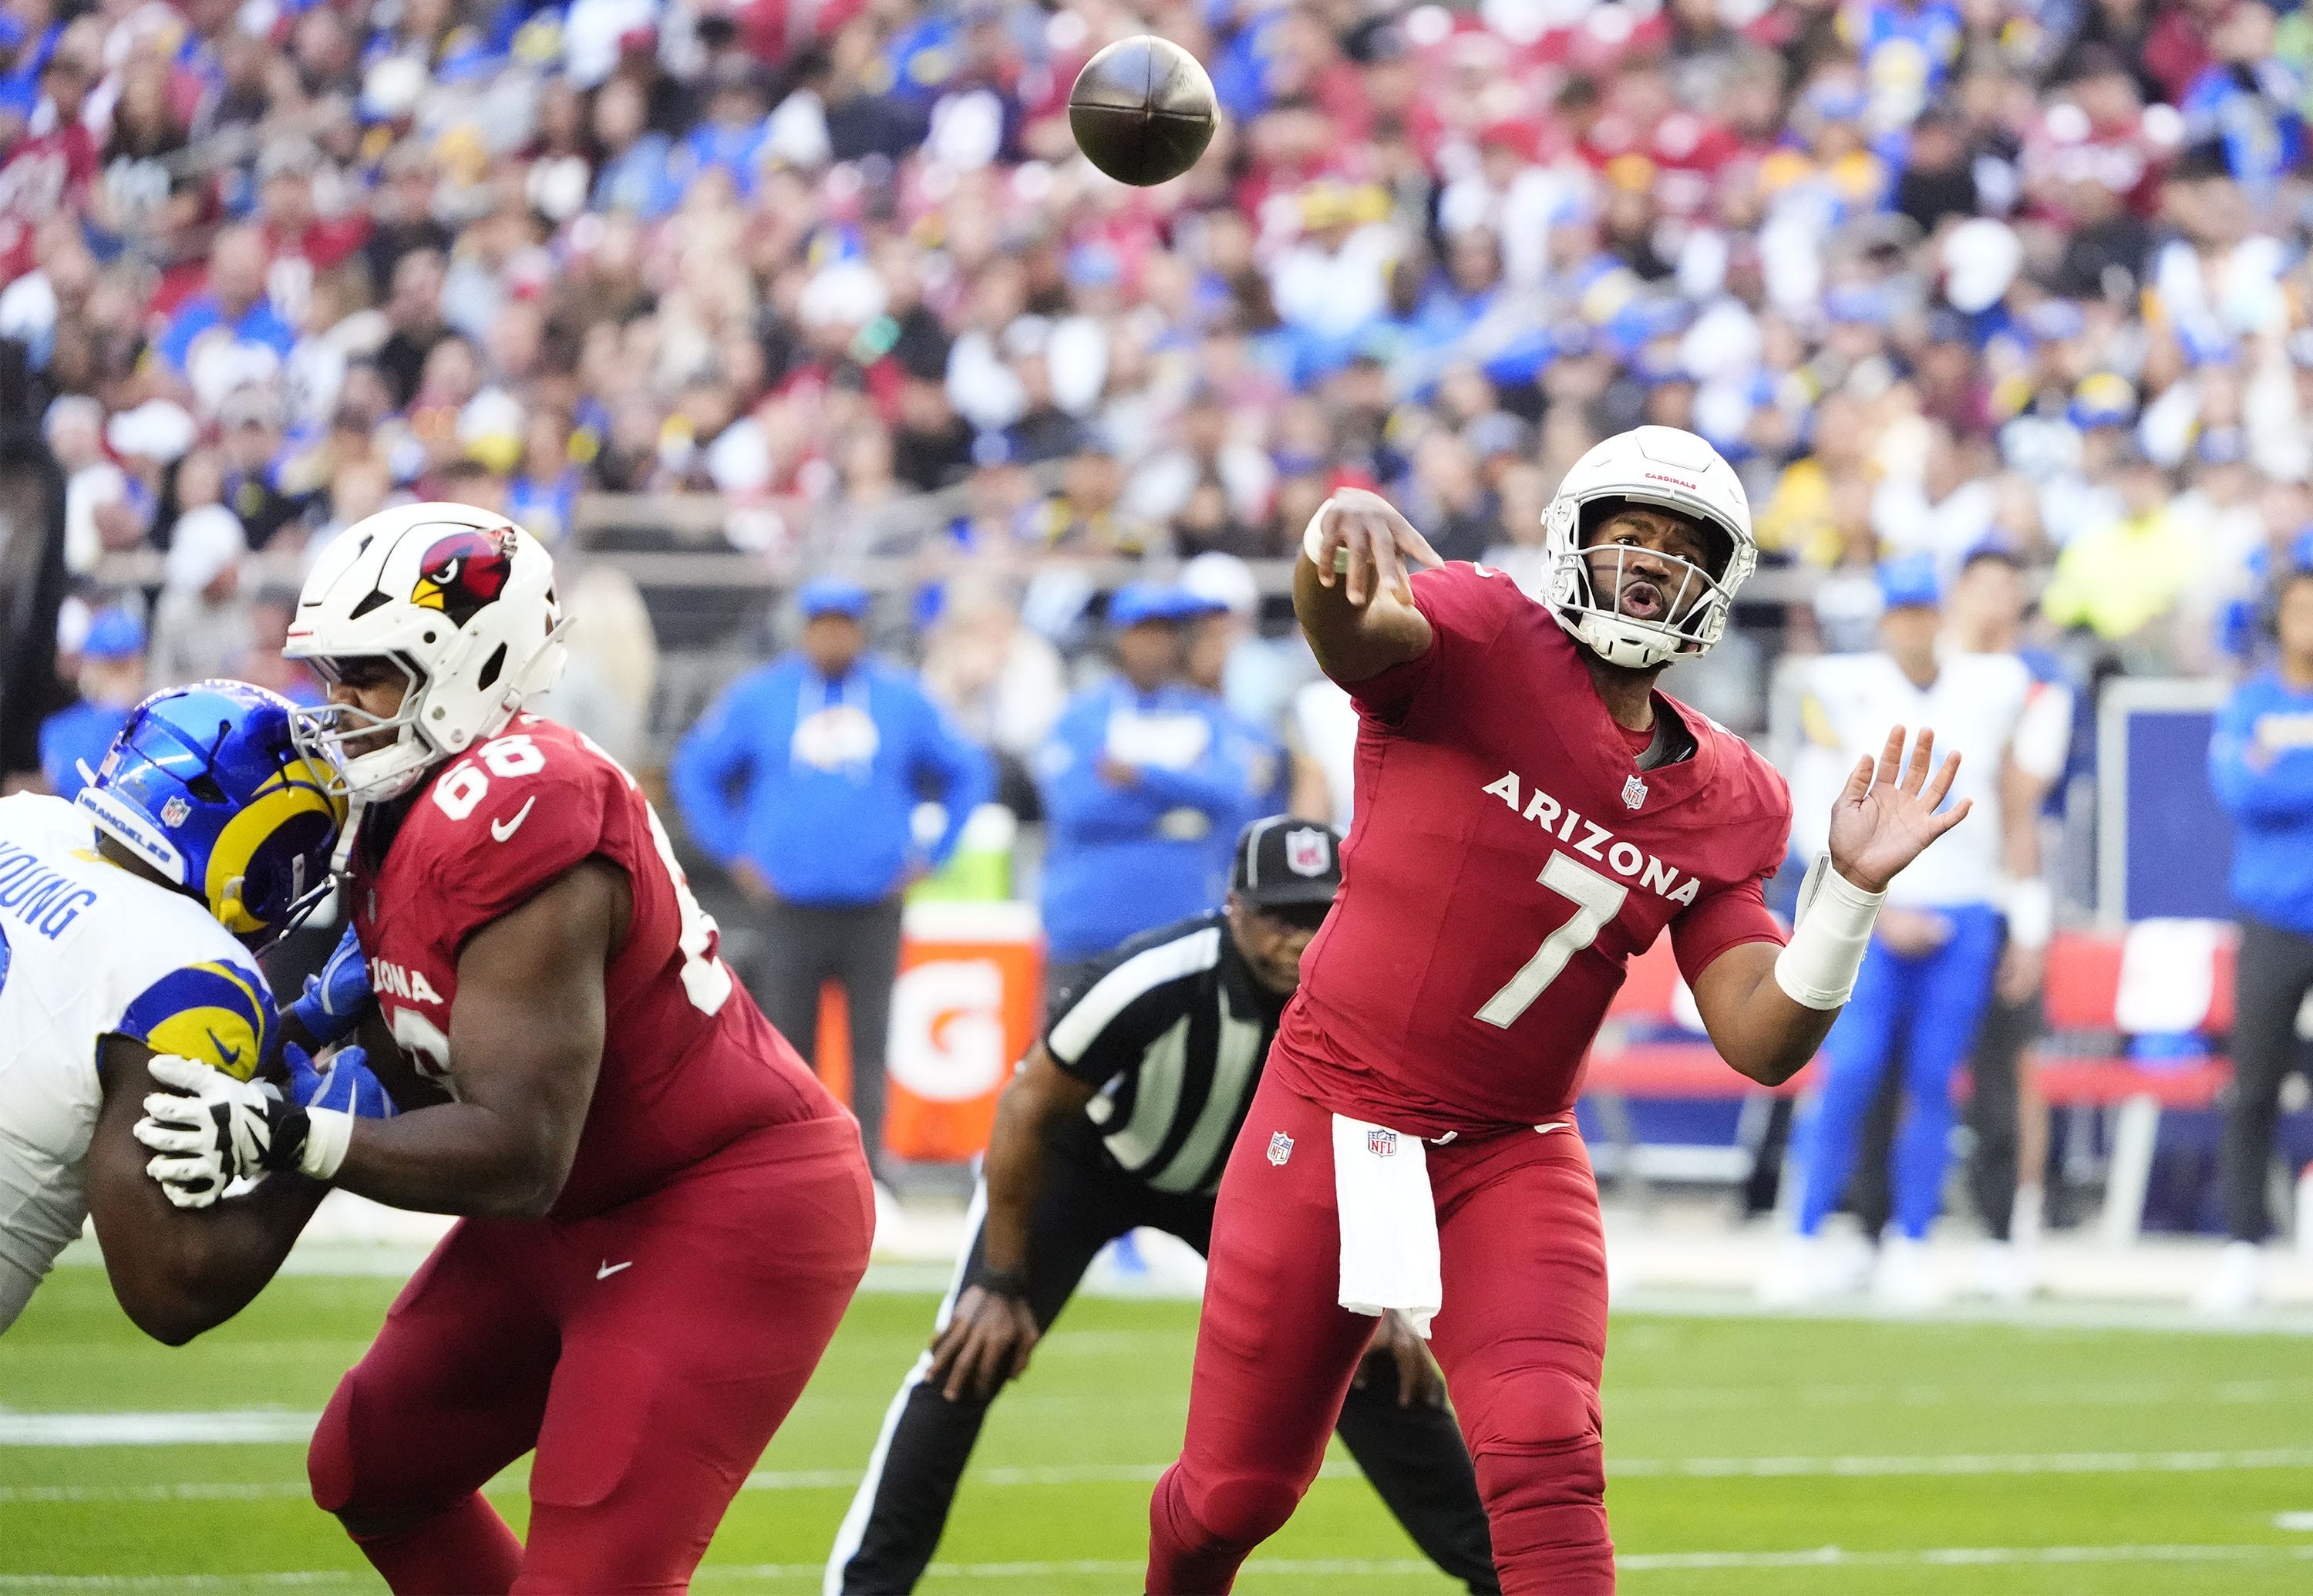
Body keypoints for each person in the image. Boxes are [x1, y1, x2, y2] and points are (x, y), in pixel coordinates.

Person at [1143, 426, 1969, 1594]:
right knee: (1237, 1493)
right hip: (1330, 1110)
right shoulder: (1482, 635)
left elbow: (1761, 1037)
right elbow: (1352, 633)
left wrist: (1849, 892)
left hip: (1506, 1149)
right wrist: (1332, 545)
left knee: (1546, 1445)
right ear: (1572, 541)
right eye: (1627, 533)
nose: (1647, 562)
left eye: (1680, 547)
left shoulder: (1736, 797)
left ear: (1719, 583)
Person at [135, 504, 874, 1594]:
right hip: (573, 1196)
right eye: (329, 673)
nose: (338, 708)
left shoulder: (525, 802)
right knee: (371, 1465)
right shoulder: (396, 804)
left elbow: (517, 1152)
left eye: (370, 675)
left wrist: (297, 1132)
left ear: (470, 667)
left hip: (713, 1202)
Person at [827, 819, 1499, 1596]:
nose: (1298, 942)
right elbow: (1026, 1107)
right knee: (967, 1355)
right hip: (1093, 1165)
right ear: (1233, 906)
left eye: (1318, 918)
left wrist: (1385, 1291)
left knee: (1375, 1367)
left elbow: (1388, 1136)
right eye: (1280, 917)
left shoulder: (1370, 993)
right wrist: (1002, 1279)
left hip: (1252, 1194)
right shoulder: (1157, 975)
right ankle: (863, 1589)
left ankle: (1506, 1576)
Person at [2, 680, 353, 1337]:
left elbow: (72, 1032)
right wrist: (322, 1151)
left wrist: (305, 1020)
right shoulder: (194, 972)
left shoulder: (24, 821)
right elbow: (170, 1286)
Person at [1770, 556, 2034, 1309]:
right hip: (1868, 910)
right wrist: (1878, 906)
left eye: (1926, 611)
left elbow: (2017, 799)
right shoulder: (1843, 689)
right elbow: (1814, 814)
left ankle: (1912, 1241)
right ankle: (1805, 1234)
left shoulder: (1994, 686)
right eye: (1904, 612)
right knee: (1848, 1074)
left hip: (1965, 907)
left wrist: (2025, 912)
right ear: (1885, 620)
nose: (1917, 625)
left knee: (1932, 1081)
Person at [668, 575, 992, 1180]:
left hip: (874, 901)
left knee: (872, 1042)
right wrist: (734, 850)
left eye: (845, 624)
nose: (834, 636)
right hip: (789, 902)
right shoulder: (763, 697)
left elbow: (967, 772)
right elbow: (697, 769)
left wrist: (934, 852)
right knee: (788, 1042)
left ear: (862, 631)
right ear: (805, 629)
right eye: (823, 624)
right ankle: (794, 1160)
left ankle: (870, 1169)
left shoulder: (901, 699)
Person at [1942, 544, 2074, 1301]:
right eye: (1981, 586)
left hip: (1993, 888)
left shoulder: (2036, 685)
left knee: (2009, 1070)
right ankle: (1892, 1222)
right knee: (1902, 1068)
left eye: (2007, 588)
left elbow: (2020, 800)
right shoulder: (1926, 668)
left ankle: (2013, 1225)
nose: (1993, 600)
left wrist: (2029, 919)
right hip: (1918, 890)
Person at [2199, 546, 2313, 1315]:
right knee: (2254, 1086)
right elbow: (2240, 788)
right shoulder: (2250, 703)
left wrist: (2286, 769)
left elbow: (2271, 782)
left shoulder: (2266, 723)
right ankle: (2245, 1246)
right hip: (2274, 917)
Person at [1035, 584, 1258, 974]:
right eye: (1145, 633)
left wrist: (1141, 775)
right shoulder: (1082, 716)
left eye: (1167, 634)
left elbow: (1232, 793)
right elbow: (1078, 808)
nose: (1157, 646)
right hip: (1089, 925)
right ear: (1120, 638)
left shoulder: (1207, 714)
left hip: (1184, 925)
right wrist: (1183, 809)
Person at [37, 607, 145, 800]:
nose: (118, 679)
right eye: (108, 668)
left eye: (124, 667)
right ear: (88, 667)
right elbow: (73, 785)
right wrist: (112, 711)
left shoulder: (151, 723)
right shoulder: (58, 728)